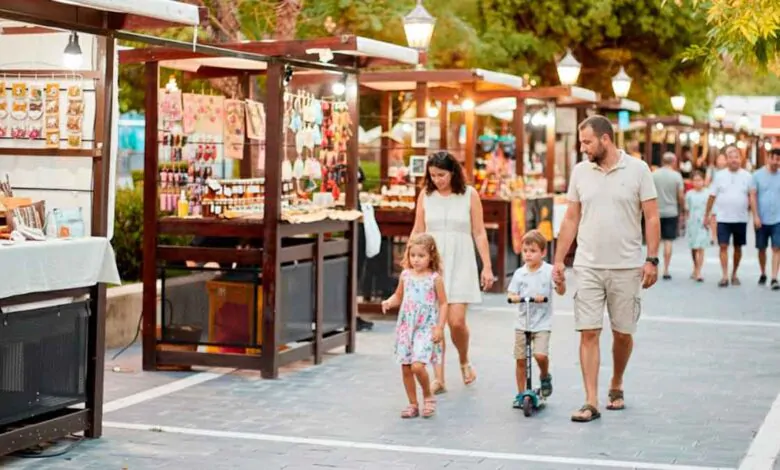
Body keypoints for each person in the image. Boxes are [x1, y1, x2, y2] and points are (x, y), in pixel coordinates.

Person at [553, 115, 660, 423]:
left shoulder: (639, 170)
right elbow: (571, 218)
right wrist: (560, 259)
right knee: (588, 331)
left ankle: (616, 381)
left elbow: (651, 217)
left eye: (587, 142)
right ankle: (590, 400)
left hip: (627, 266)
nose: (583, 148)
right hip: (587, 265)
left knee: (623, 333)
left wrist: (652, 259)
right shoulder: (580, 172)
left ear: (605, 139)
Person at [411, 151, 495, 394]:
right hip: (432, 264)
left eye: (442, 175)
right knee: (435, 323)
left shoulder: (469, 195)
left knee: (456, 322)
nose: (437, 180)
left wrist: (486, 266)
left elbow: (479, 232)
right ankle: (439, 378)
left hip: (461, 263)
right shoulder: (426, 196)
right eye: (433, 175)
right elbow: (418, 229)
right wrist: (410, 260)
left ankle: (464, 359)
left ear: (453, 172)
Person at [381, 234, 448, 419]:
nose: (416, 260)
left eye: (421, 256)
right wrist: (389, 302)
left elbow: (443, 303)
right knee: (406, 367)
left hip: (425, 327)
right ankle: (412, 403)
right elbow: (399, 296)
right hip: (406, 327)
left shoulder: (435, 279)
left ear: (431, 257)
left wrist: (440, 327)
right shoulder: (405, 276)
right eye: (413, 255)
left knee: (418, 366)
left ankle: (428, 396)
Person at [506, 230, 566, 407]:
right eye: (525, 251)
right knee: (521, 359)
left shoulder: (548, 271)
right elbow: (511, 292)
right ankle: (520, 393)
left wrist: (561, 282)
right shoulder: (519, 273)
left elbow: (561, 291)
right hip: (522, 323)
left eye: (532, 251)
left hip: (542, 323)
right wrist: (513, 297)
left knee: (540, 355)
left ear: (543, 253)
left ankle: (545, 375)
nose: (528, 255)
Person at [704, 145, 757, 287]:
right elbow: (711, 196)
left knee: (738, 248)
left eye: (736, 157)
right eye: (731, 157)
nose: (734, 160)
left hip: (741, 218)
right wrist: (707, 214)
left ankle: (734, 273)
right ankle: (724, 275)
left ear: (741, 159)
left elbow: (752, 197)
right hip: (723, 218)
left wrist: (756, 216)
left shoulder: (747, 176)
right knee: (723, 246)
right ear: (726, 160)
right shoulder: (719, 176)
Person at [652, 152, 685, 280]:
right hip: (671, 212)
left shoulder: (654, 175)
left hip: (656, 211)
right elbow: (680, 196)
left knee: (655, 241)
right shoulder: (677, 176)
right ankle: (666, 269)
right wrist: (682, 209)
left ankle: (655, 268)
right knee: (668, 241)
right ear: (674, 162)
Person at [751, 148, 780, 289]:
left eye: (778, 160)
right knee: (761, 248)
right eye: (774, 159)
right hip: (761, 218)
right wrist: (755, 215)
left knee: (777, 248)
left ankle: (774, 277)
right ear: (768, 158)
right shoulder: (757, 175)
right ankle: (763, 272)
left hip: (778, 219)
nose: (776, 162)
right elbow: (753, 195)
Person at [684, 170, 711, 282]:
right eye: (695, 180)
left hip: (703, 222)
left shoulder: (707, 193)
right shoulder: (689, 194)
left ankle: (699, 272)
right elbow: (687, 209)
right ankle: (695, 267)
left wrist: (709, 220)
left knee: (701, 247)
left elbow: (711, 209)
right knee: (694, 248)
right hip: (692, 222)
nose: (697, 182)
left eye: (699, 180)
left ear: (703, 181)